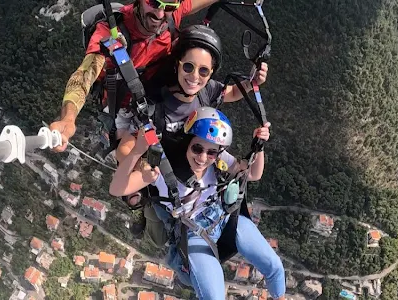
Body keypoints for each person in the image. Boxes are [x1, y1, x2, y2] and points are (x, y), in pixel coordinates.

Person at [109, 107, 285, 300]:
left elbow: (252, 174)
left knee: (275, 267)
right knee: (213, 296)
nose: (203, 158)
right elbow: (117, 189)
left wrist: (258, 147)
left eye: (211, 153)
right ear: (187, 142)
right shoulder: (163, 167)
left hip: (224, 217)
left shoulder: (219, 159)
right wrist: (137, 152)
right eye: (197, 148)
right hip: (193, 231)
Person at [114, 24, 268, 241]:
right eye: (188, 67)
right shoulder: (154, 102)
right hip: (162, 169)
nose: (195, 77)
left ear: (211, 73)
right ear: (177, 65)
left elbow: (232, 92)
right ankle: (139, 207)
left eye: (203, 71)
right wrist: (139, 163)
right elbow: (125, 149)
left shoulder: (208, 91)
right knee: (158, 234)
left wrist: (252, 84)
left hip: (193, 159)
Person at [49, 0, 221, 153]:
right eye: (153, 3)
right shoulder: (110, 32)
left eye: (168, 6)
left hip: (157, 97)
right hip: (125, 108)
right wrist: (68, 118)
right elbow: (84, 75)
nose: (160, 14)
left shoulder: (170, 14)